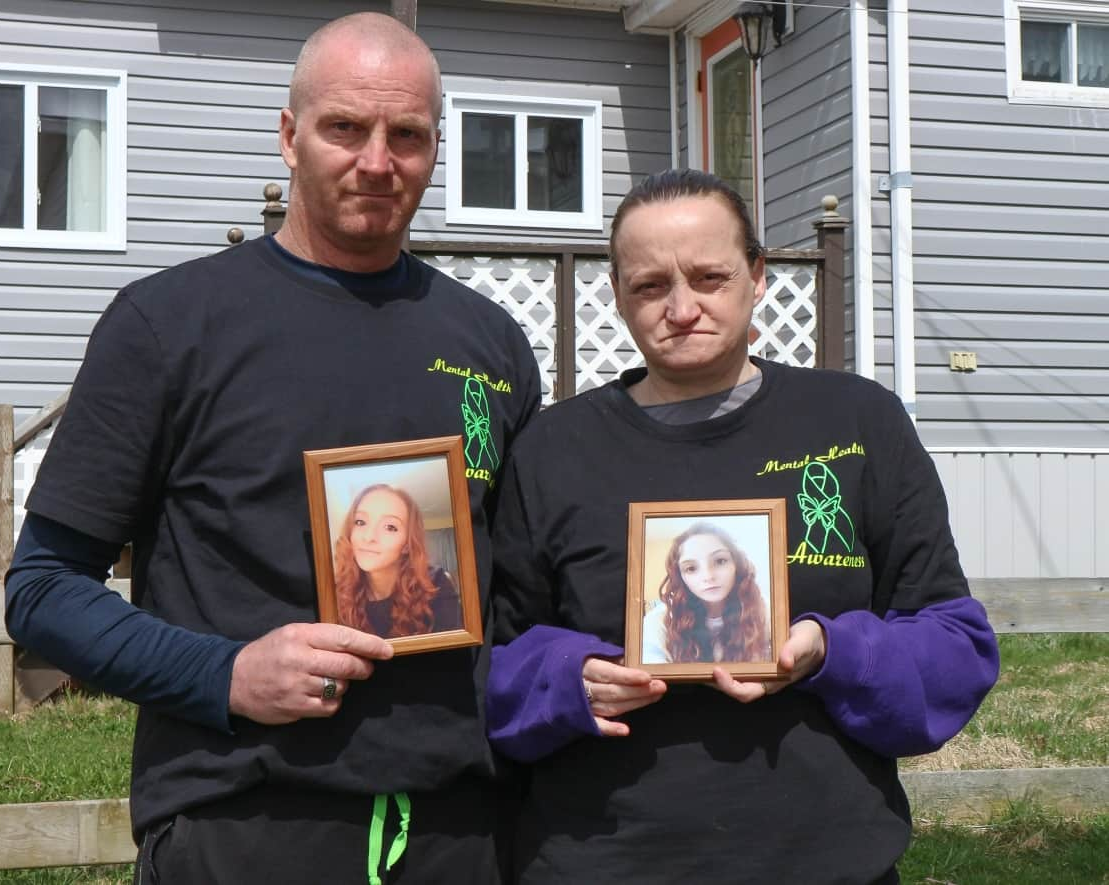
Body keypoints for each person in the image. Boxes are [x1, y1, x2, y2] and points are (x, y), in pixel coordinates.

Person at [4, 13, 540, 885]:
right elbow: (43, 590)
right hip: (245, 823)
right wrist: (228, 673)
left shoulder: (493, 344)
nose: (378, 160)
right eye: (345, 128)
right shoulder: (167, 326)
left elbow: (521, 589)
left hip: (458, 830)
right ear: (290, 137)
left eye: (407, 135)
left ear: (436, 147)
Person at [485, 169, 999, 884]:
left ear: (757, 276)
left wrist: (832, 650)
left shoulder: (858, 422)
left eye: (708, 276)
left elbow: (957, 649)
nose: (682, 306)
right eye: (650, 285)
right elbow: (490, 667)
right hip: (603, 858)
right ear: (617, 295)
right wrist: (566, 680)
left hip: (824, 859)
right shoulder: (552, 451)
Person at [336, 484, 461, 638]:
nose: (368, 537)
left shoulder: (437, 584)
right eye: (361, 522)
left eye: (390, 527)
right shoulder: (338, 592)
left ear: (407, 546)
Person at [642, 522, 770, 664]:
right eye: (691, 568)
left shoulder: (764, 609)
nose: (708, 576)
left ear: (737, 564)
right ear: (680, 576)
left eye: (720, 561)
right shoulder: (659, 621)